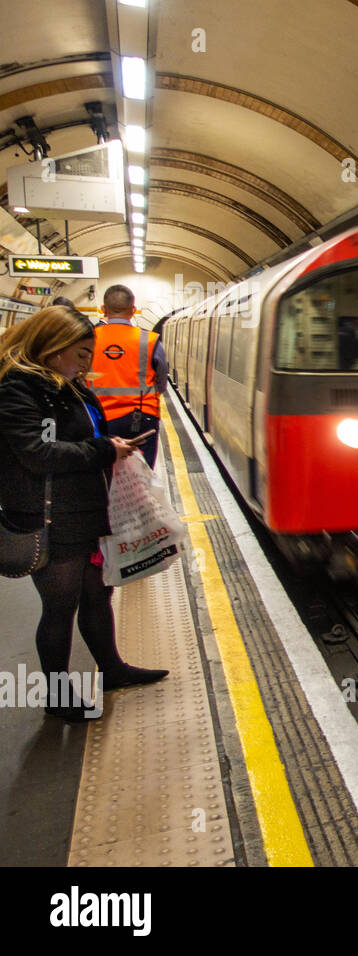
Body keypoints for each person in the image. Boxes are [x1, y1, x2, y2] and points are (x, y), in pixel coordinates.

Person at [0, 305, 168, 721]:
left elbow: (81, 435)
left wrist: (112, 444)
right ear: (53, 348)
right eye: (81, 354)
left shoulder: (65, 385)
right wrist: (103, 449)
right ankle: (57, 697)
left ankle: (111, 669)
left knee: (98, 593)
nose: (86, 363)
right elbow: (37, 453)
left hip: (85, 509)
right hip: (49, 517)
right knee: (60, 607)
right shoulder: (17, 390)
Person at [90, 284, 167, 468]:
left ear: (103, 310)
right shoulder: (149, 339)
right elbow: (162, 379)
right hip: (141, 417)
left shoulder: (89, 337)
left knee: (102, 469)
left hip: (97, 417)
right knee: (142, 473)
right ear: (133, 310)